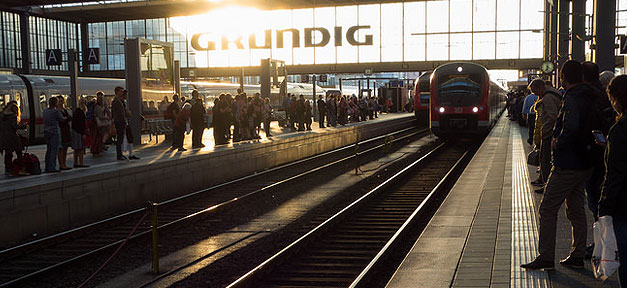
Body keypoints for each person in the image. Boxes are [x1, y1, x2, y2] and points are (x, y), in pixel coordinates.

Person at [522, 60, 600, 270]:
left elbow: (571, 127)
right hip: (585, 162)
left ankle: (546, 257)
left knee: (547, 208)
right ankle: (577, 255)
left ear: (564, 77)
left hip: (568, 163)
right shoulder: (590, 95)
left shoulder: (574, 98)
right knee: (575, 208)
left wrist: (558, 141)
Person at [597, 74, 627, 287]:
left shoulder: (620, 130)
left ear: (616, 98)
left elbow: (615, 174)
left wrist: (604, 206)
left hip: (624, 206)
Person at [528, 79, 562, 193]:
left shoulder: (548, 98)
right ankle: (545, 182)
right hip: (550, 132)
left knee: (545, 159)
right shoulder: (552, 94)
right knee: (545, 159)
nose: (534, 94)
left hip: (549, 133)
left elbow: (552, 116)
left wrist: (545, 130)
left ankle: (547, 186)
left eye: (534, 91)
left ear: (540, 88)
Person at [111, 87, 139, 160]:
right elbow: (119, 113)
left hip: (123, 122)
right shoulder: (116, 101)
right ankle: (120, 155)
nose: (122, 93)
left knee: (128, 137)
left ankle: (128, 154)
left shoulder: (120, 101)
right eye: (121, 91)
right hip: (120, 122)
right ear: (117, 92)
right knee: (120, 138)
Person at [0, 102, 24, 176]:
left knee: (8, 153)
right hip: (12, 136)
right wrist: (23, 126)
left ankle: (8, 169)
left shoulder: (1, 115)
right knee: (19, 151)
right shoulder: (13, 116)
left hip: (3, 136)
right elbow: (14, 126)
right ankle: (20, 168)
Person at [43, 97, 64, 172]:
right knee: (54, 150)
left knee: (48, 150)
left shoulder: (45, 111)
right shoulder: (56, 111)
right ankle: (52, 167)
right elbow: (61, 119)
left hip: (46, 131)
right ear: (55, 103)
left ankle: (47, 166)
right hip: (54, 132)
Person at [71, 98, 89, 168]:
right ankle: (81, 163)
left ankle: (75, 162)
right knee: (81, 148)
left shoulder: (76, 111)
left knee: (76, 149)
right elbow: (81, 124)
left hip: (75, 131)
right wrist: (83, 133)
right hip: (79, 132)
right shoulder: (81, 112)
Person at [56, 97, 72, 170]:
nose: (61, 103)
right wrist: (66, 118)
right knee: (61, 148)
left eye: (62, 101)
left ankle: (64, 163)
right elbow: (62, 119)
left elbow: (69, 117)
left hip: (66, 130)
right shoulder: (57, 111)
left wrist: (66, 118)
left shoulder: (64, 110)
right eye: (59, 101)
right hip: (61, 130)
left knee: (65, 147)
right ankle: (61, 164)